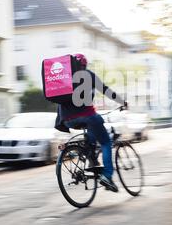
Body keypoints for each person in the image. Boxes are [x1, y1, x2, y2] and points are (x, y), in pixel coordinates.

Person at [54, 53, 127, 192]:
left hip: (68, 120)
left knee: (91, 137)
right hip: (87, 116)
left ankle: (91, 158)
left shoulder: (64, 78)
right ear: (84, 64)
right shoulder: (88, 75)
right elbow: (106, 90)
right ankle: (107, 176)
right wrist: (122, 102)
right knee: (105, 142)